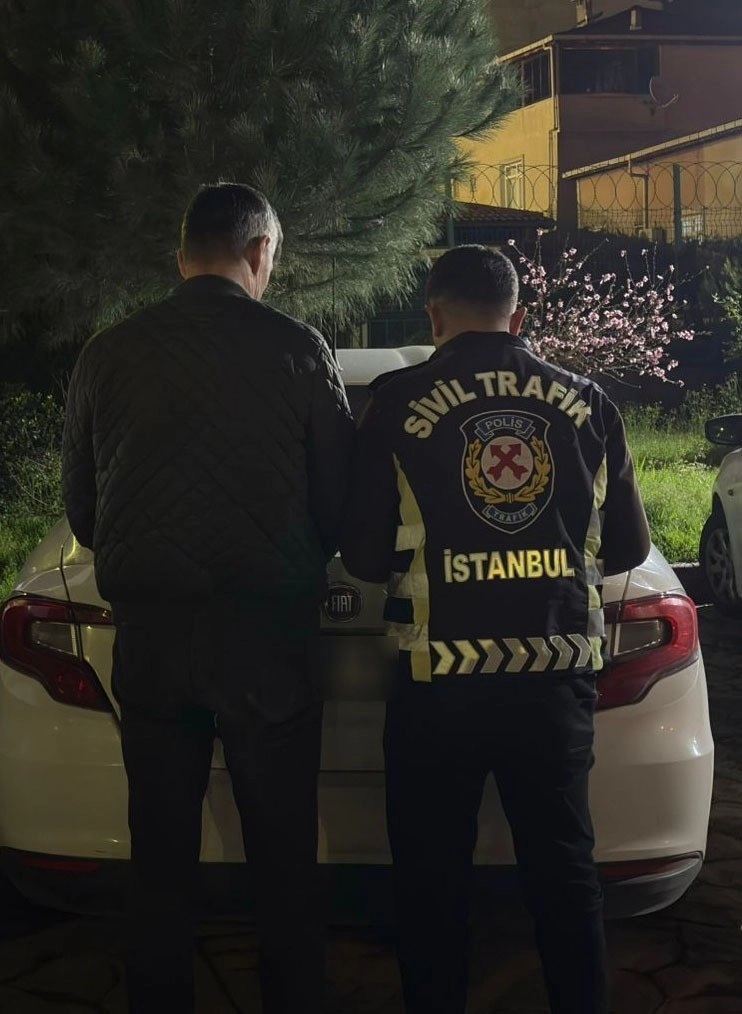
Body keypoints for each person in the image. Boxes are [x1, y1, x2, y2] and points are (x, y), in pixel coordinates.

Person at [62, 182, 354, 1014]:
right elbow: (337, 501)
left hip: (152, 635)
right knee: (283, 850)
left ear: (182, 252)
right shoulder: (298, 349)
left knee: (159, 850)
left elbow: (83, 508)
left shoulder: (106, 353)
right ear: (260, 251)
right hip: (268, 638)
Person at [340, 245, 651, 1014]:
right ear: (519, 318)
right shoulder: (588, 401)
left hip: (436, 686)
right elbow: (627, 549)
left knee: (431, 880)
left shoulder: (396, 402)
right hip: (554, 679)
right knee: (564, 874)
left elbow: (367, 559)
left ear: (434, 317)